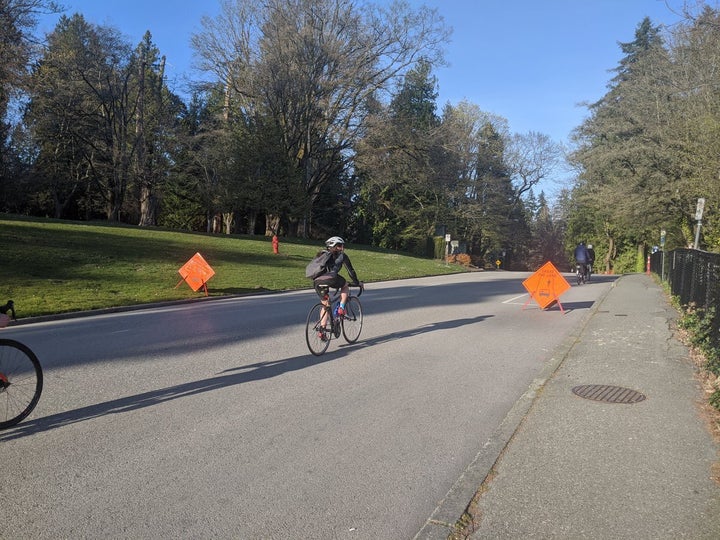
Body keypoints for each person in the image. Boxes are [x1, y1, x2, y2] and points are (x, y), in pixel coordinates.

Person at [313, 236, 360, 334]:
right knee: (345, 285)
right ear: (333, 246)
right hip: (331, 279)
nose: (342, 248)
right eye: (339, 246)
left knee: (325, 304)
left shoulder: (321, 254)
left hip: (317, 281)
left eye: (342, 246)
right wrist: (357, 282)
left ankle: (322, 331)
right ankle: (341, 308)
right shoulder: (342, 256)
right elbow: (350, 271)